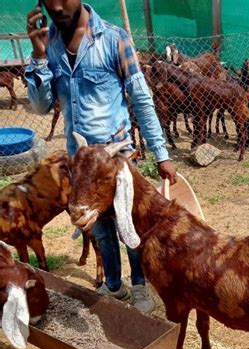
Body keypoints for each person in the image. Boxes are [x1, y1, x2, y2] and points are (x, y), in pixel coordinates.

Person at [25, 1, 176, 313]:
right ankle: (114, 286)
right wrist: (39, 56)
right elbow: (40, 107)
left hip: (115, 161)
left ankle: (138, 285)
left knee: (128, 227)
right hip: (80, 165)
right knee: (99, 230)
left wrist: (161, 153)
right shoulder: (50, 44)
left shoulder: (113, 38)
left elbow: (141, 98)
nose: (55, 5)